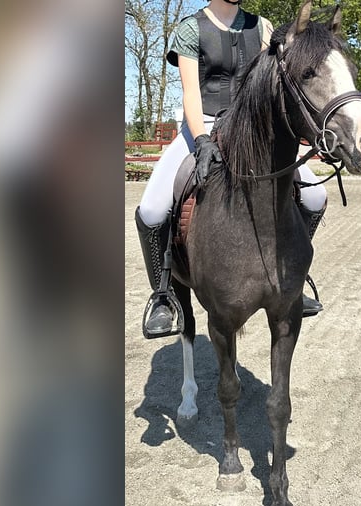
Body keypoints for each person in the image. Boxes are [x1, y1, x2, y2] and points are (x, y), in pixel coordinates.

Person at [135, 0, 327, 339]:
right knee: (152, 210)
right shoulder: (191, 28)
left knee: (315, 197)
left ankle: (294, 278)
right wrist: (202, 138)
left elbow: (282, 81)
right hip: (203, 125)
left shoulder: (263, 27)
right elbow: (191, 95)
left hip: (253, 130)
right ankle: (164, 295)